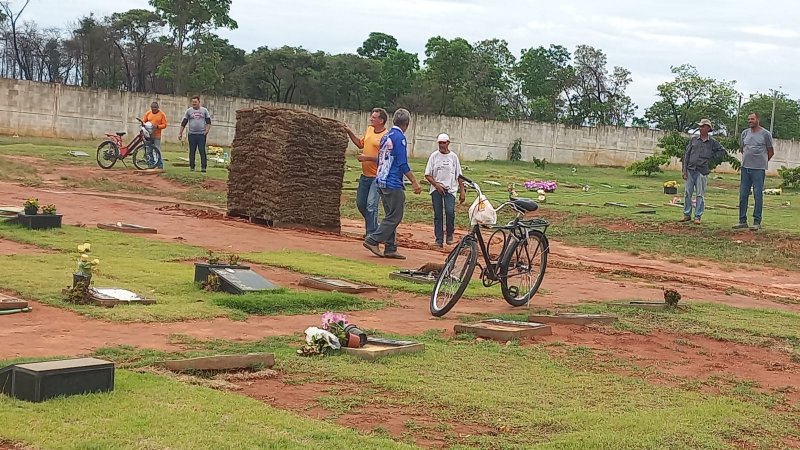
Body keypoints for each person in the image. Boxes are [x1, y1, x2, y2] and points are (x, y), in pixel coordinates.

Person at [363, 108, 422, 259]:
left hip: (381, 179)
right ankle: (373, 239)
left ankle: (390, 248)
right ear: (407, 124)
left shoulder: (386, 135)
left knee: (390, 214)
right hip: (393, 182)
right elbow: (402, 163)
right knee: (395, 216)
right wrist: (414, 182)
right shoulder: (399, 138)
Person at [345, 108, 388, 237]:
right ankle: (375, 227)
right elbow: (360, 144)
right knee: (361, 204)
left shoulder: (386, 136)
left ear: (381, 121)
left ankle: (371, 234)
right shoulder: (369, 130)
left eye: (374, 117)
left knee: (371, 205)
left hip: (377, 176)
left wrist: (367, 158)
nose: (371, 119)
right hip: (365, 175)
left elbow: (386, 159)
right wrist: (349, 132)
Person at [680, 119, 726, 225]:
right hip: (691, 169)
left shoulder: (712, 142)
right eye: (700, 126)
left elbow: (722, 151)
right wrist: (684, 170)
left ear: (708, 128)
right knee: (687, 193)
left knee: (700, 194)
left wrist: (711, 160)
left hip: (702, 171)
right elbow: (687, 154)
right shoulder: (694, 140)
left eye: (703, 126)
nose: (700, 128)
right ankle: (687, 214)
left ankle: (697, 216)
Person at [733, 112, 775, 231]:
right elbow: (742, 149)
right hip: (745, 168)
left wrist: (762, 162)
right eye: (748, 119)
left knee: (758, 195)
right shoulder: (745, 133)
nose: (750, 121)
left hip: (758, 169)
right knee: (743, 195)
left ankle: (757, 221)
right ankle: (742, 220)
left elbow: (770, 151)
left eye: (752, 119)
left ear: (758, 119)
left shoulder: (766, 134)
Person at [424, 133, 465, 246]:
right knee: (438, 214)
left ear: (448, 143)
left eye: (444, 143)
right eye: (440, 143)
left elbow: (459, 175)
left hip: (450, 189)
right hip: (436, 189)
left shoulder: (453, 157)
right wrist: (436, 185)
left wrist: (462, 191)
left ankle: (450, 234)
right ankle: (439, 239)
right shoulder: (434, 156)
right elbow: (428, 174)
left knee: (449, 211)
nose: (441, 145)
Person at [178, 96, 212, 172]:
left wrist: (206, 131)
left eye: (195, 102)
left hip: (201, 135)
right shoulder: (189, 111)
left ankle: (203, 167)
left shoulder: (204, 110)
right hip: (192, 134)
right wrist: (180, 133)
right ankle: (192, 167)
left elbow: (208, 122)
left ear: (199, 102)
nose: (194, 103)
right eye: (193, 102)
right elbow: (184, 123)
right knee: (192, 151)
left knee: (202, 150)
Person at [142, 101, 167, 169]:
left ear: (158, 107)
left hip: (157, 135)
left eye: (155, 107)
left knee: (157, 150)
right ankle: (150, 164)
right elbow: (143, 122)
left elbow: (165, 125)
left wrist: (158, 126)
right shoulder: (148, 113)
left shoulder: (162, 114)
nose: (154, 109)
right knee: (149, 150)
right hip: (148, 135)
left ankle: (160, 165)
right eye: (152, 107)